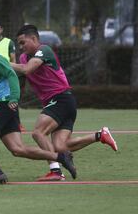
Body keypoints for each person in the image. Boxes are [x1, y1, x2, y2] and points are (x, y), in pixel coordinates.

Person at [0, 28, 76, 185]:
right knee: (18, 149)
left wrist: (14, 97)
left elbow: (11, 74)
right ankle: (61, 157)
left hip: (2, 104)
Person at [11, 24, 118, 181]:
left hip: (60, 99)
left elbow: (27, 69)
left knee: (38, 133)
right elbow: (21, 78)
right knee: (60, 147)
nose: (20, 47)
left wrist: (2, 62)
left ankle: (56, 171)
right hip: (62, 103)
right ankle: (100, 135)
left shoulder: (44, 50)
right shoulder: (22, 59)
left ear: (34, 39)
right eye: (18, 44)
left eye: (22, 42)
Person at [0, 22, 26, 132]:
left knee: (11, 99)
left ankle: (18, 124)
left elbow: (13, 59)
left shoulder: (8, 42)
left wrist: (12, 73)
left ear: (2, 30)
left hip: (7, 76)